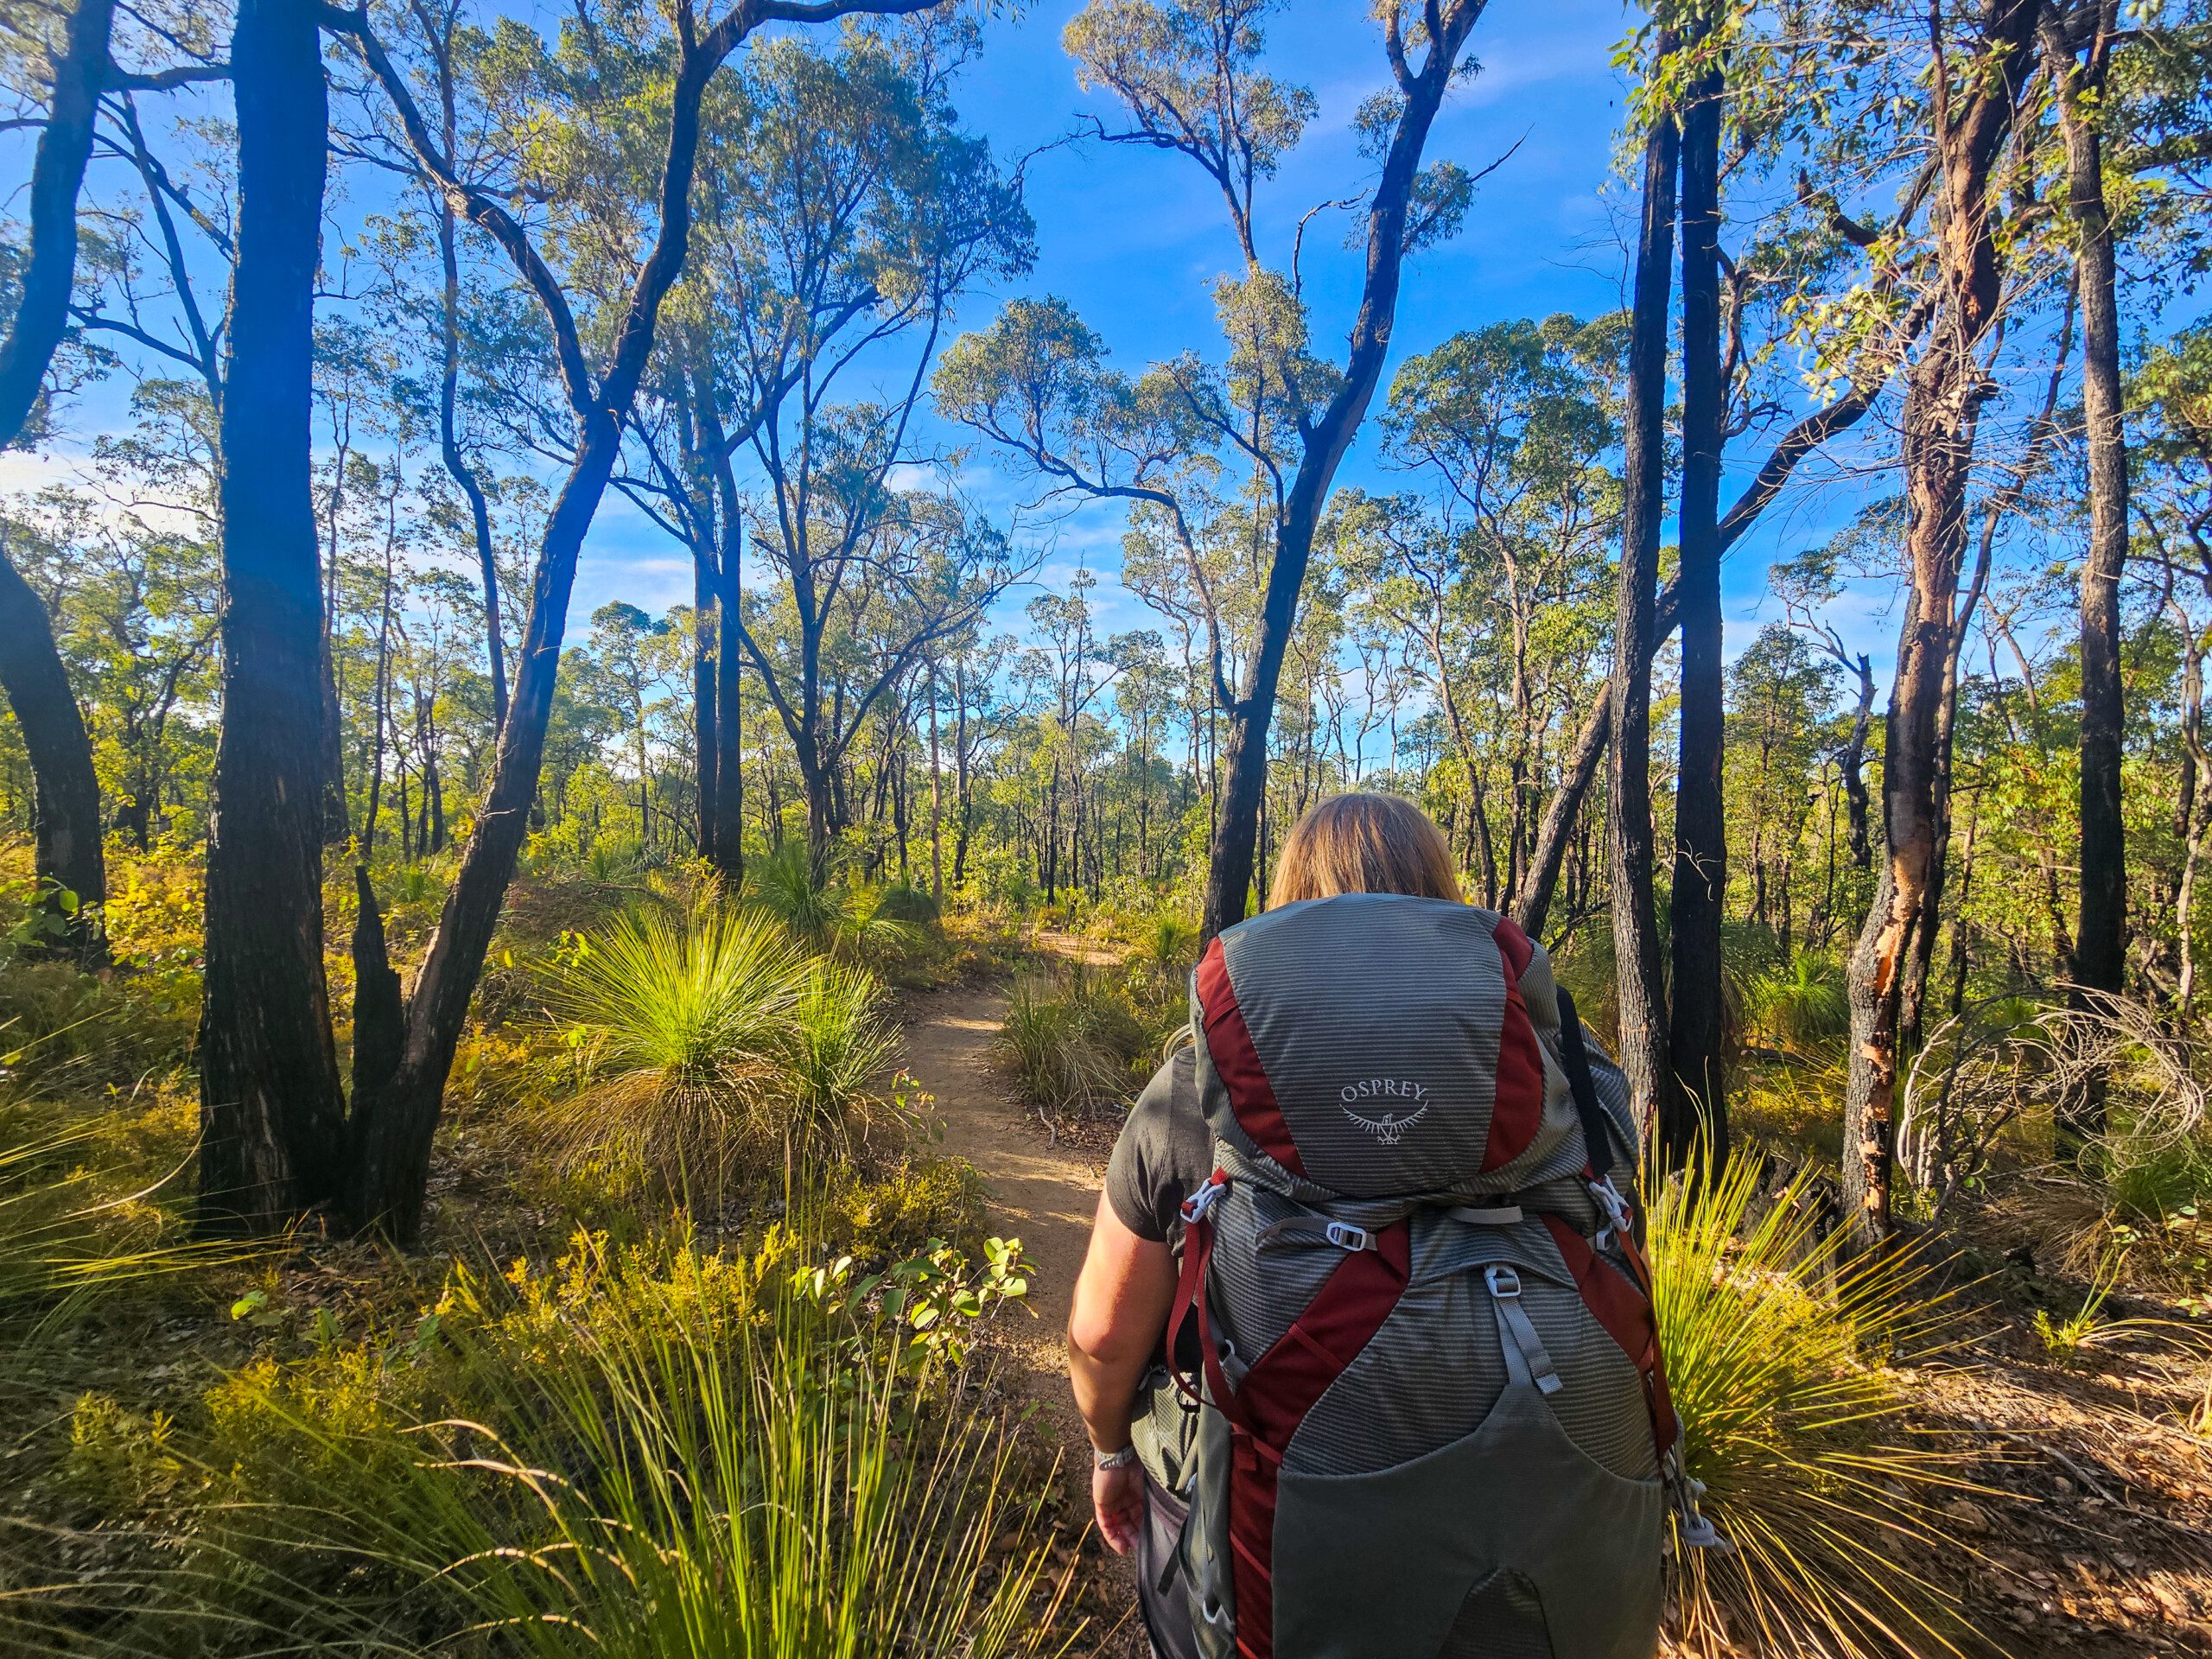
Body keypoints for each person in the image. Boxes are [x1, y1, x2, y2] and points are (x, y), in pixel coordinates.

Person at [1066, 793, 1682, 1659]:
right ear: (1440, 893)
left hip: (1277, 1556)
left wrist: (1109, 1454)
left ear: (1290, 897)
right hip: (1556, 1547)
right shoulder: (1578, 1081)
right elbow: (1619, 1274)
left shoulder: (1199, 1091)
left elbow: (1100, 1338)